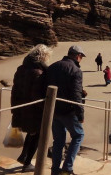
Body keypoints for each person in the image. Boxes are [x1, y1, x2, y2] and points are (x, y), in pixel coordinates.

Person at [46, 45, 86, 175]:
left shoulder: (53, 66)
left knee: (58, 141)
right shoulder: (76, 70)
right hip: (68, 110)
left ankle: (55, 171)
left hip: (53, 109)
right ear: (76, 55)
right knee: (78, 135)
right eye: (81, 57)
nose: (81, 59)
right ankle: (67, 169)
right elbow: (75, 96)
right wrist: (80, 114)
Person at [12, 44, 52, 172]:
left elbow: (15, 90)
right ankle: (27, 163)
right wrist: (46, 109)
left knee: (31, 132)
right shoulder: (38, 72)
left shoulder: (21, 69)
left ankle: (23, 156)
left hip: (21, 107)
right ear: (43, 56)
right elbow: (36, 95)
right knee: (37, 134)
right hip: (33, 110)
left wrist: (15, 108)